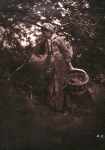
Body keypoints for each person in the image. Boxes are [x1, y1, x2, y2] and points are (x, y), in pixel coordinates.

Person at [30, 22, 73, 111]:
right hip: (52, 65)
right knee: (51, 84)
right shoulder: (47, 41)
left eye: (45, 31)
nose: (44, 34)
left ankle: (63, 107)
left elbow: (66, 52)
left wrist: (69, 65)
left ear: (50, 31)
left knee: (61, 85)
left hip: (61, 64)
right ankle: (54, 106)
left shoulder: (58, 39)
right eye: (43, 32)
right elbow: (47, 54)